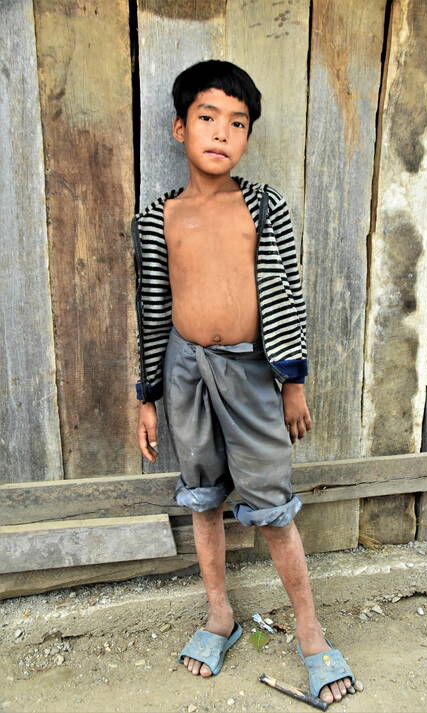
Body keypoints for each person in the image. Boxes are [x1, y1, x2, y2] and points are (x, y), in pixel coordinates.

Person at [131, 59, 355, 705]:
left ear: (247, 137)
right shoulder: (157, 218)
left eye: (238, 123)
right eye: (207, 117)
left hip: (252, 371)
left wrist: (291, 382)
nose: (221, 132)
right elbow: (151, 309)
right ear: (179, 128)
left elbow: (284, 294)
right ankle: (219, 616)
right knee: (202, 494)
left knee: (272, 504)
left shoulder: (261, 205)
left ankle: (311, 635)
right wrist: (147, 396)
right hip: (183, 369)